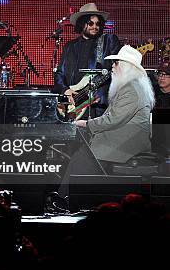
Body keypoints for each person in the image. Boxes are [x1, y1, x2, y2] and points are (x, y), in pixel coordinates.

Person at [59, 45, 155, 195]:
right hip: (122, 137)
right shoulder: (133, 86)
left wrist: (86, 123)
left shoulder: (132, 90)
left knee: (81, 157)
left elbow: (113, 120)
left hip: (125, 144)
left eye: (116, 63)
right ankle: (74, 198)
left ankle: (64, 200)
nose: (112, 67)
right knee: (81, 151)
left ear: (127, 67)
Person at [54, 3, 121, 119]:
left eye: (97, 23)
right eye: (90, 23)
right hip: (74, 106)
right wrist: (66, 90)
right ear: (81, 24)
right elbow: (60, 73)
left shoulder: (108, 41)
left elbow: (120, 67)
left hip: (100, 107)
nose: (95, 26)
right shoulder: (70, 46)